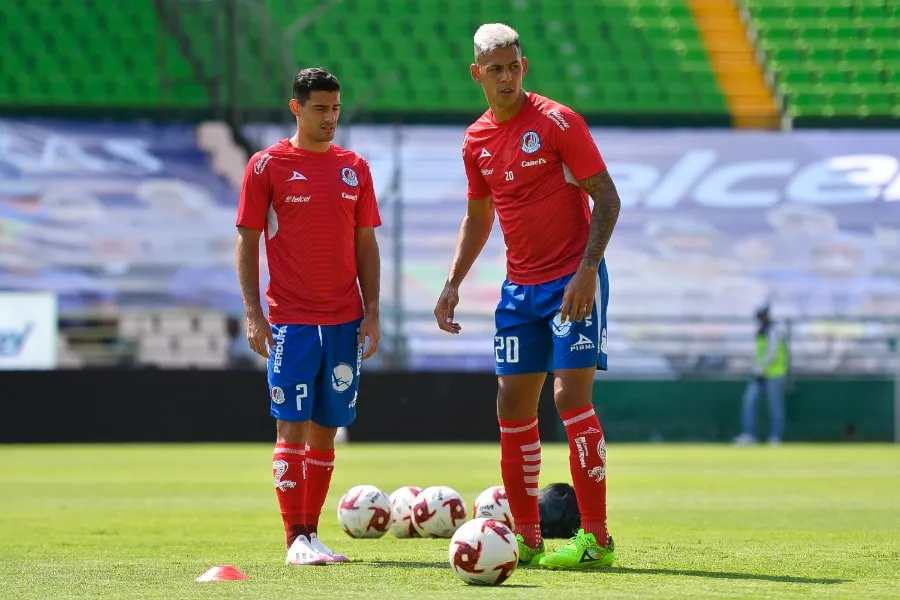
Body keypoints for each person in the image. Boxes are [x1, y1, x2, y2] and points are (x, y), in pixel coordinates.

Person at [434, 23, 621, 570]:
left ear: (524, 67)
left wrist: (587, 270)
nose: (506, 77)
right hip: (520, 290)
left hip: (572, 280)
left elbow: (607, 199)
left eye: (513, 66)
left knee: (569, 399)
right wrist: (453, 282)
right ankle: (530, 539)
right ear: (477, 74)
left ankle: (597, 539)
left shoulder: (559, 122)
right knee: (511, 405)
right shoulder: (476, 140)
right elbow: (478, 217)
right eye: (495, 69)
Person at [235, 68, 382, 566]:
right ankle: (293, 538)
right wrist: (254, 312)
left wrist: (372, 311)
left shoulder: (354, 167)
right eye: (320, 109)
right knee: (291, 428)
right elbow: (247, 240)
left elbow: (366, 243)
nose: (330, 118)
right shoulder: (267, 166)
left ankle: (311, 535)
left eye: (335, 109)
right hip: (291, 322)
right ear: (296, 108)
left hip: (344, 321)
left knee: (326, 430)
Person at [734, 303, 788, 445]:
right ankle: (749, 435)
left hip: (774, 374)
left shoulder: (774, 330)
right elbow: (758, 354)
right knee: (749, 403)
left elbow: (772, 354)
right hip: (759, 375)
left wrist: (761, 369)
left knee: (775, 407)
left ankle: (775, 437)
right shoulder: (760, 332)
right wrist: (757, 370)